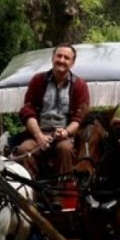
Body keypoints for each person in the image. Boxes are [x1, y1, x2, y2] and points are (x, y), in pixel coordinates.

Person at [15, 43, 90, 179]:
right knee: (24, 150)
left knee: (65, 150)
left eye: (66, 58)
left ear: (72, 63)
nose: (62, 60)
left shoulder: (80, 86)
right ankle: (30, 193)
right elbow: (27, 110)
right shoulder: (37, 81)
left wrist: (66, 132)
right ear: (52, 58)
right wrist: (39, 136)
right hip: (38, 134)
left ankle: (62, 195)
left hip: (66, 137)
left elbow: (80, 118)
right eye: (59, 56)